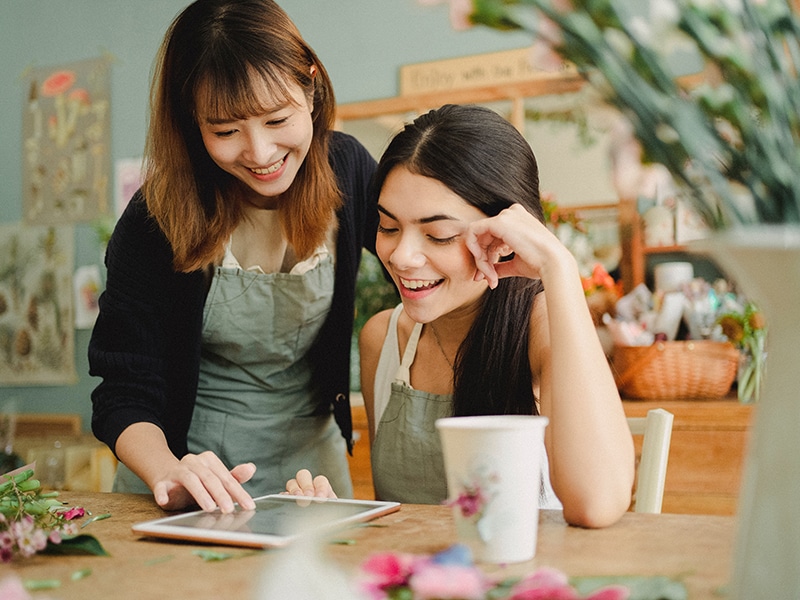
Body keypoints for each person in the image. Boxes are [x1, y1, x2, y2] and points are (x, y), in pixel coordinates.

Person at [88, 0, 379, 514]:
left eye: (277, 119)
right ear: (190, 121)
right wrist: (166, 470)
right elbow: (124, 389)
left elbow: (422, 256)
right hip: (187, 465)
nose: (260, 152)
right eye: (225, 131)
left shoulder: (349, 171)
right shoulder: (155, 217)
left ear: (311, 87)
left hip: (312, 469)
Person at [286, 104, 635, 528]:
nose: (402, 256)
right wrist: (337, 518)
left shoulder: (540, 328)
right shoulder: (385, 339)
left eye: (439, 235)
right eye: (388, 227)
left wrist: (556, 266)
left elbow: (596, 504)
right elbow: (399, 523)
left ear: (504, 235)